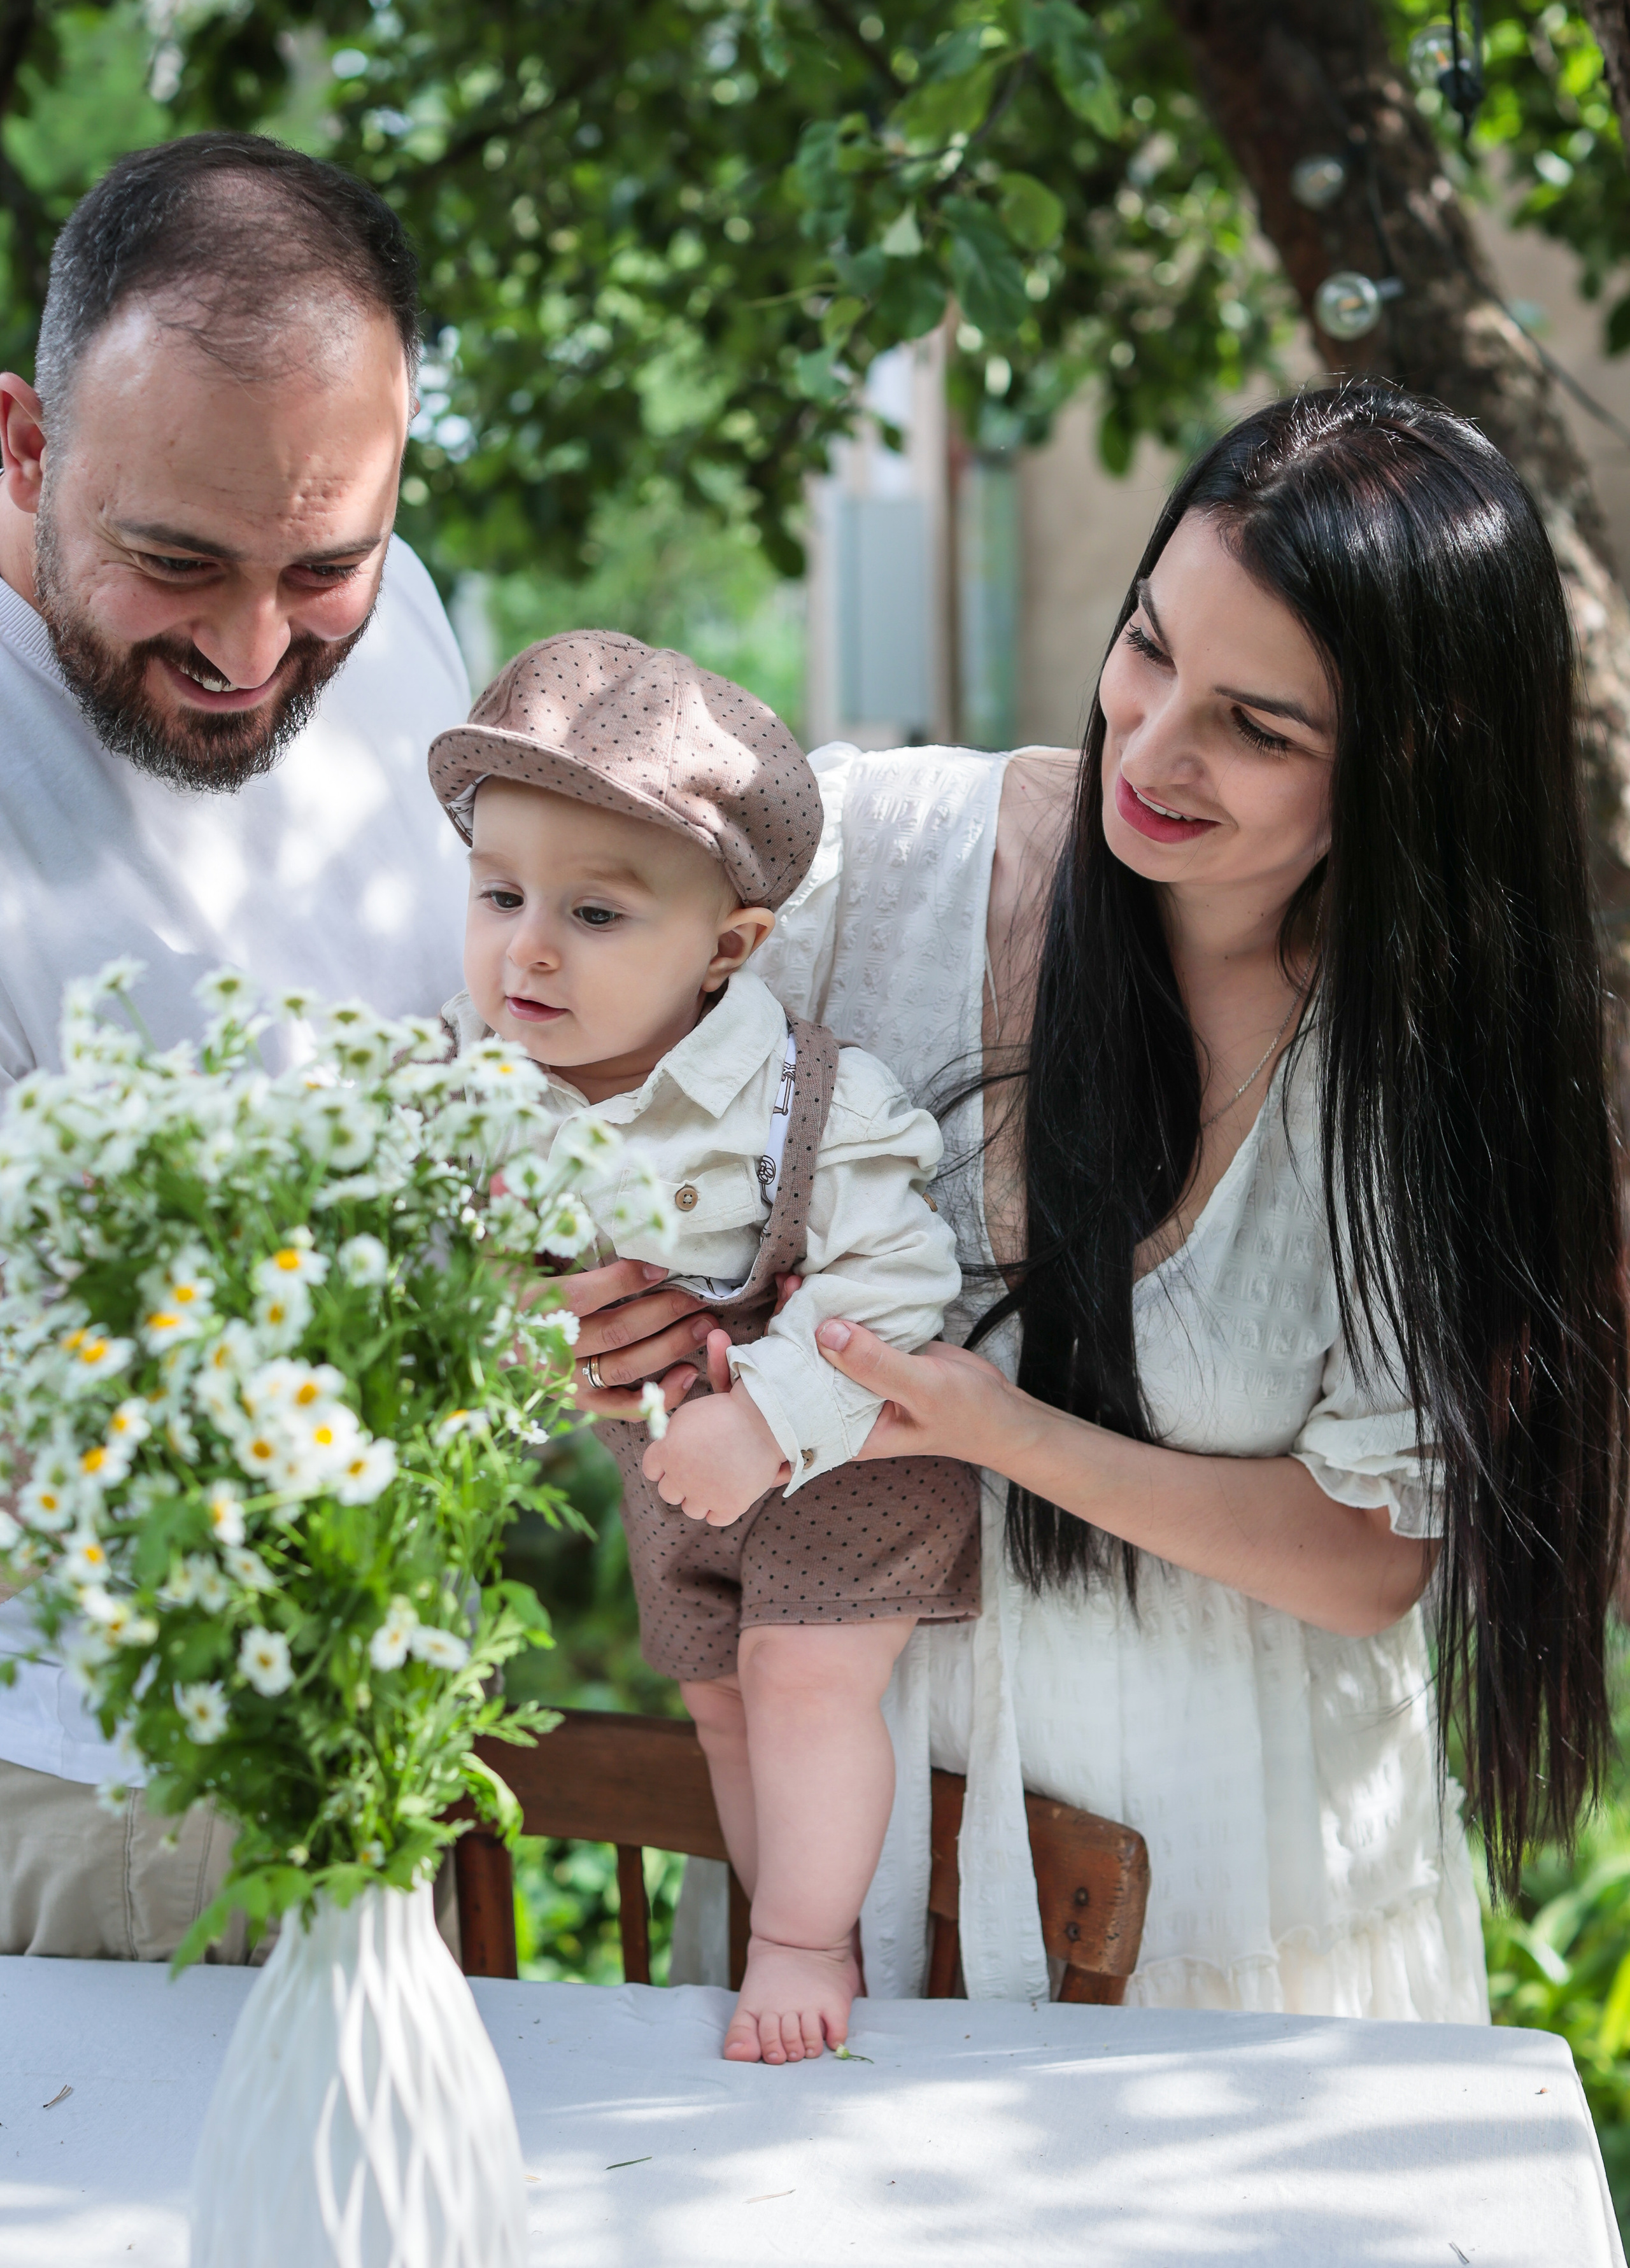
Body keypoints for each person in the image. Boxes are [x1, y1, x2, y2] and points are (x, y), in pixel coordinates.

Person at [580, 385, 1627, 2017]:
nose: (1149, 748)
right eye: (1146, 647)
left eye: (1256, 727)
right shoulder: (882, 857)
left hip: (1237, 1858)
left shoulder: (1419, 1058)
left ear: (1413, 754)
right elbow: (565, 1066)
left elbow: (1369, 1556)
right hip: (854, 1832)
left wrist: (983, 1427)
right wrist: (583, 1312)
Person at [0, 132, 472, 1961]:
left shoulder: (406, 615)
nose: (251, 649)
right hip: (73, 1779)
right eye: (177, 563)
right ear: (31, 448)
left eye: (319, 565)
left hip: (367, 1711)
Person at [427, 632, 978, 2062]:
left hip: (841, 1446)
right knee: (722, 1702)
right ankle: (765, 1918)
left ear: (726, 948)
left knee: (800, 1676)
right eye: (498, 896)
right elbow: (463, 1286)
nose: (527, 947)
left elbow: (904, 1279)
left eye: (594, 916)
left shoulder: (803, 1096)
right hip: (664, 1467)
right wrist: (509, 1333)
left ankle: (808, 1943)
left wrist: (771, 1416)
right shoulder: (480, 1088)